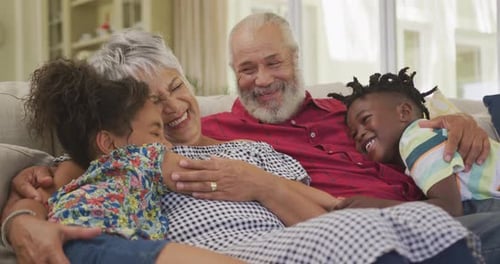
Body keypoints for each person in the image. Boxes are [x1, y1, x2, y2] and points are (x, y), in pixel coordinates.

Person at [1, 30, 482, 264]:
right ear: (122, 118)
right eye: (152, 102)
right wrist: (20, 216)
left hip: (316, 230)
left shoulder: (254, 148)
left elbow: (324, 211)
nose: (171, 109)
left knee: (434, 223)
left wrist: (258, 184)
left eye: (175, 86)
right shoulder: (127, 161)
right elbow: (53, 186)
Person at [19, 58, 243, 264]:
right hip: (95, 243)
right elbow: (200, 173)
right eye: (156, 134)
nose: (167, 145)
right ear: (108, 143)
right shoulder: (142, 158)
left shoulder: (79, 177)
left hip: (64, 245)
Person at [328, 67, 500, 217]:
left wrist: (375, 206)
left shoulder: (415, 140)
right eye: (354, 134)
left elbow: (450, 209)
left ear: (404, 112)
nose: (359, 135)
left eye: (365, 119)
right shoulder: (423, 139)